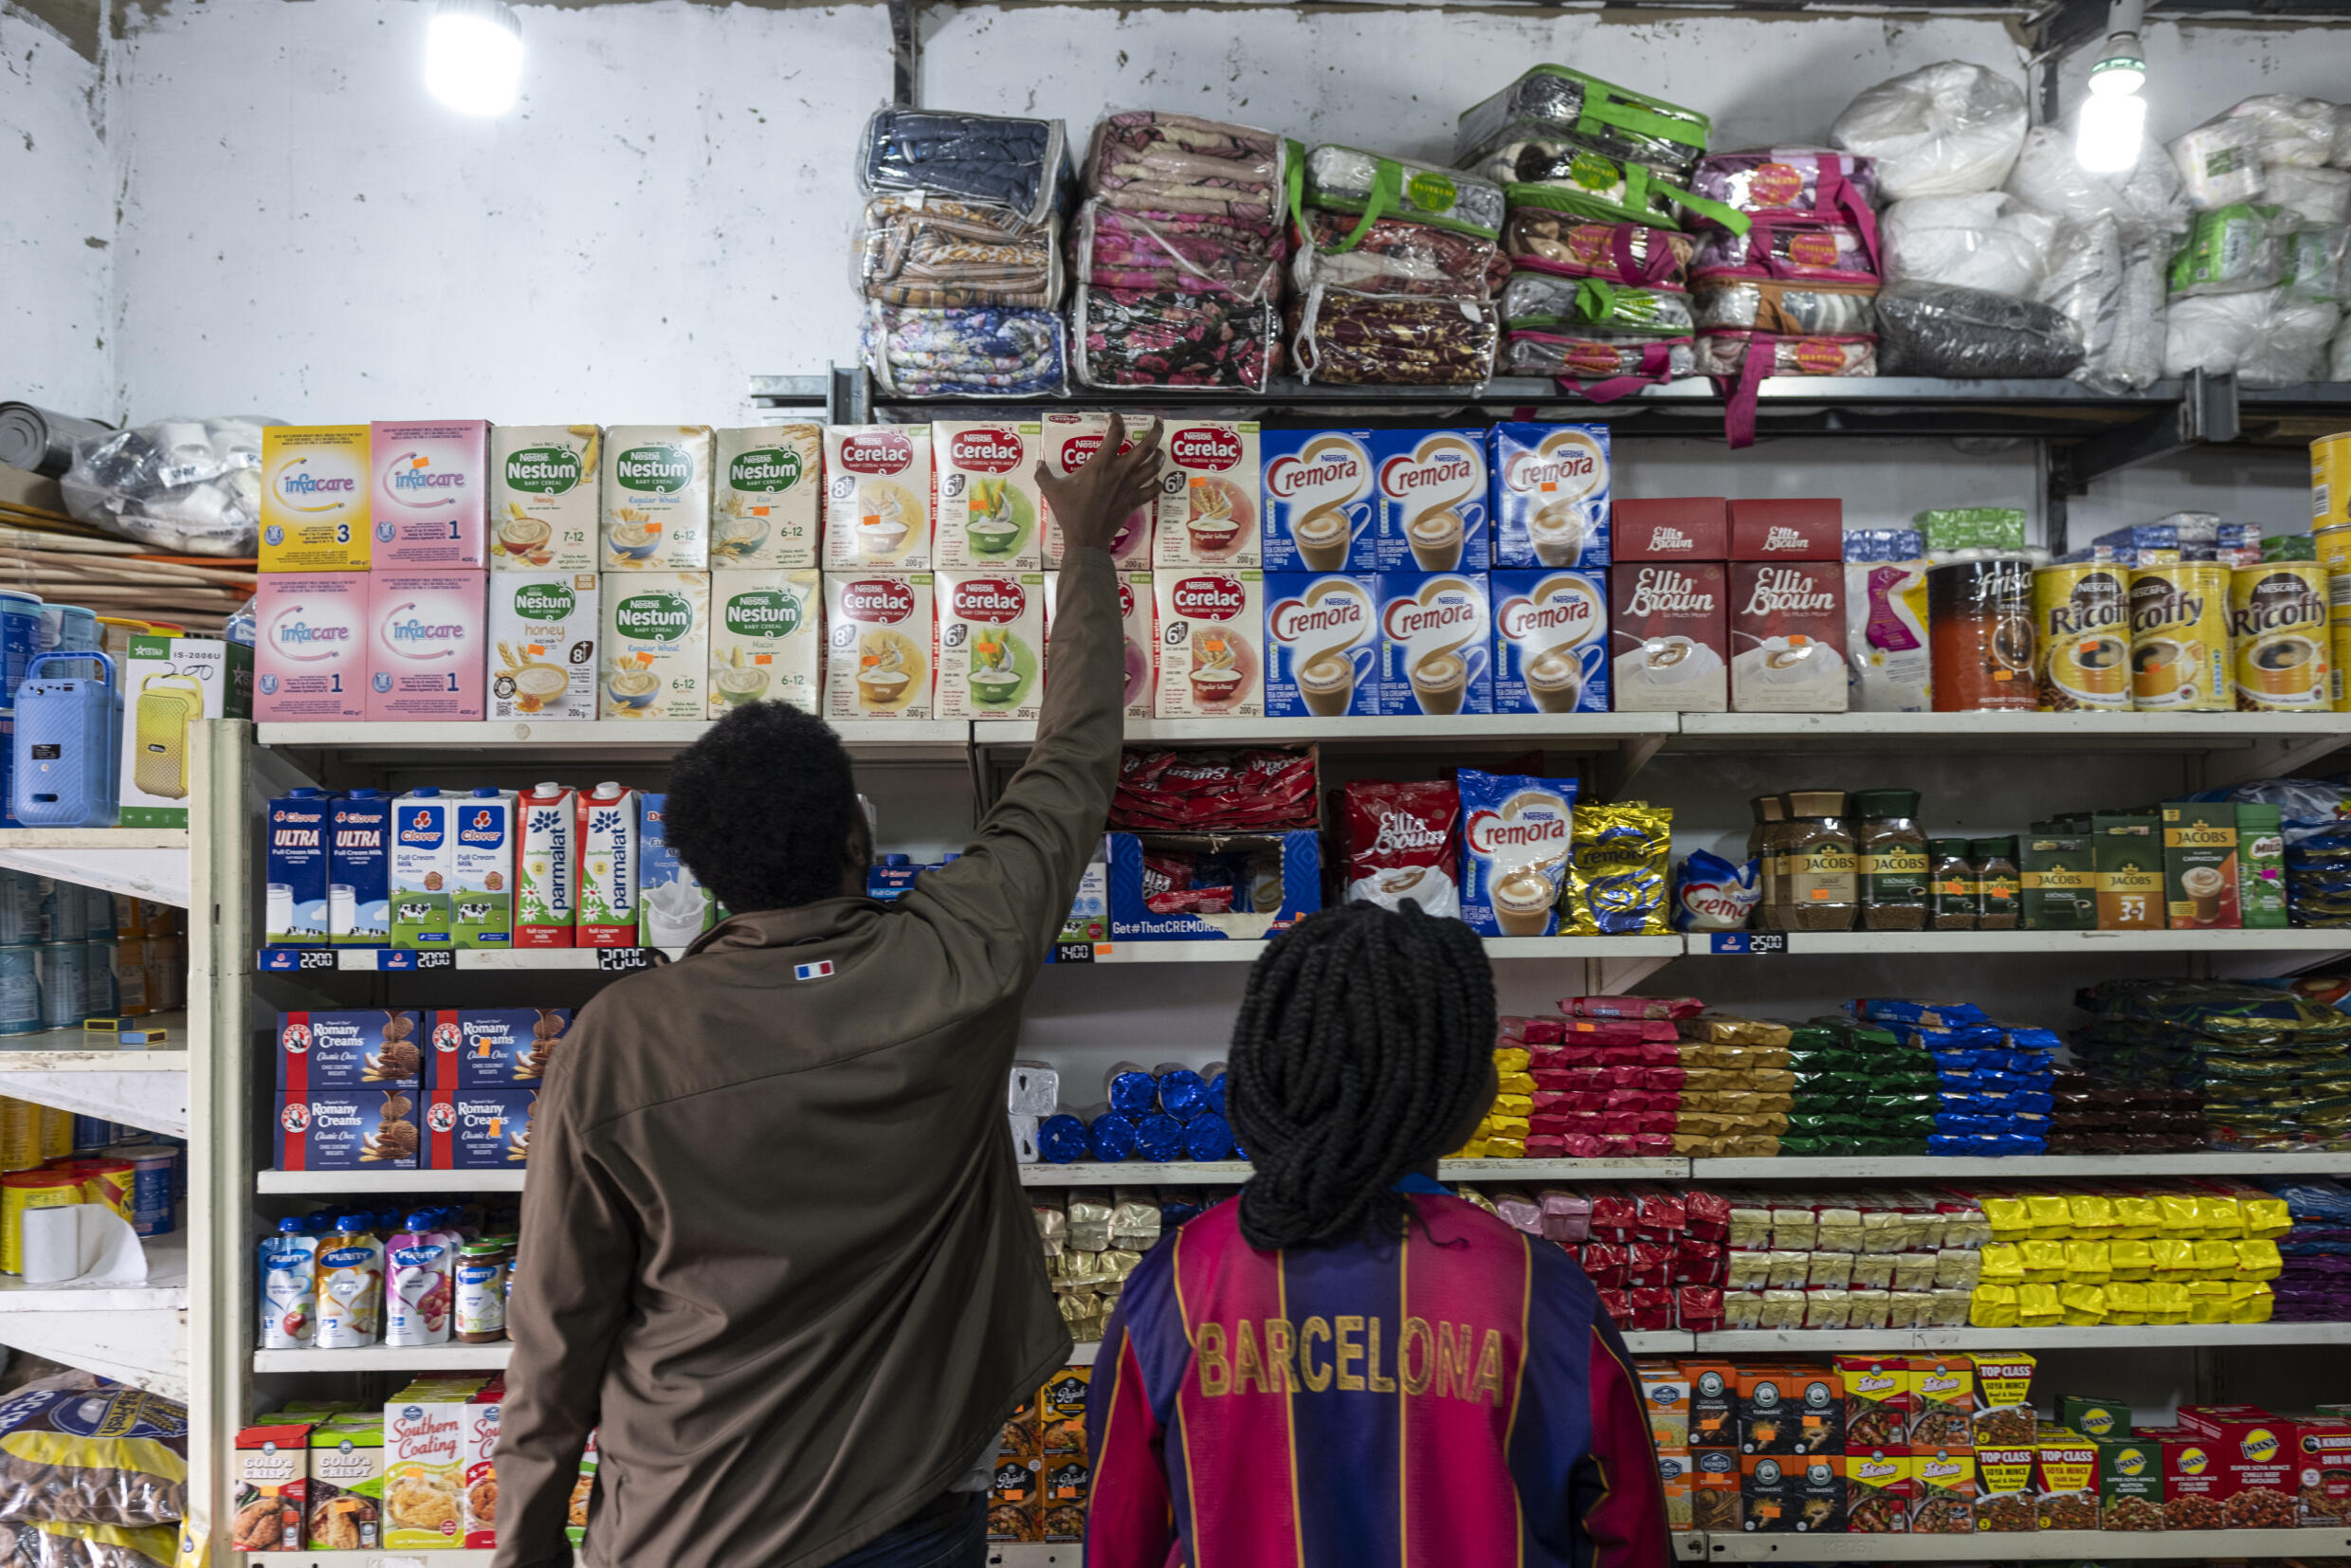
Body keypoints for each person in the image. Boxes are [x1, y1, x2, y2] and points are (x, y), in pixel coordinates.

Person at [490, 414, 1166, 1568]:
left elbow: (555, 1327)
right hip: (900, 1517)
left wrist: (527, 1542)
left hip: (685, 1529)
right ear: (857, 845)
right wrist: (1087, 547)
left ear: (702, 877)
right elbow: (1071, 763)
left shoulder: (620, 1043)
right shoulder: (957, 959)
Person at [1084, 900, 1673, 1568]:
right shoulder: (1540, 1291)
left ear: (1263, 1073)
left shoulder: (1177, 1283)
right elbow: (1628, 1536)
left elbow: (1118, 1536)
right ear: (1468, 1094)